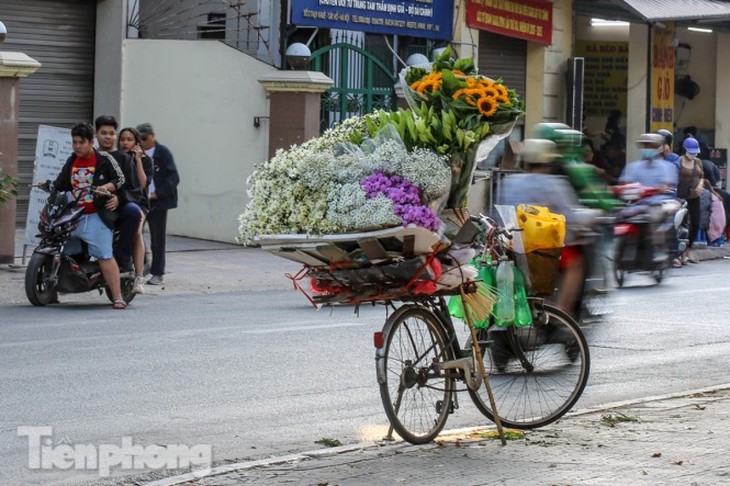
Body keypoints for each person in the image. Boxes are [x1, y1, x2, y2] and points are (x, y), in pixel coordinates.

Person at [500, 138, 597, 318]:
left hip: (514, 247)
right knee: (576, 263)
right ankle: (562, 309)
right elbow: (571, 215)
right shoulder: (554, 184)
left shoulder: (510, 182)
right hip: (546, 251)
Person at [42, 123, 127, 309]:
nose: (77, 146)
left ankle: (118, 296)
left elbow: (120, 179)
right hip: (74, 216)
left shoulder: (104, 159)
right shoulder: (71, 160)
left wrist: (106, 188)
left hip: (96, 215)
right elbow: (61, 183)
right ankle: (50, 293)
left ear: (91, 142)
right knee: (58, 248)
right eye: (74, 142)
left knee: (104, 255)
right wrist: (48, 185)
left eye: (81, 142)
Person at [94, 116, 148, 294]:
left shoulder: (125, 159)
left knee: (134, 213)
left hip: (120, 207)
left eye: (111, 133)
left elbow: (136, 189)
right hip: (92, 205)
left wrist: (119, 198)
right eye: (103, 133)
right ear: (96, 135)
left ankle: (124, 258)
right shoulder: (90, 156)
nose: (107, 137)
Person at [619, 133, 676, 263]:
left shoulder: (666, 167)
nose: (647, 148)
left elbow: (667, 185)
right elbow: (624, 183)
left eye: (650, 145)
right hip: (636, 205)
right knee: (619, 217)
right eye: (645, 145)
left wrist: (660, 188)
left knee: (653, 219)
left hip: (656, 204)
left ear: (657, 148)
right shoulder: (633, 167)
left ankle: (658, 249)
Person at [137, 123, 180, 286]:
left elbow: (173, 177)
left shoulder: (163, 153)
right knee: (136, 235)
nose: (142, 141)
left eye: (145, 138)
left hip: (158, 203)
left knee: (157, 239)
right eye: (139, 139)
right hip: (141, 201)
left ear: (153, 136)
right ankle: (144, 263)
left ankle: (157, 272)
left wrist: (158, 193)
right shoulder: (137, 153)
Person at [118, 126, 155, 294]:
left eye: (129, 139)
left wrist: (138, 160)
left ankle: (139, 277)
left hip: (139, 202)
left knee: (136, 232)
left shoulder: (146, 160)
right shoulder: (116, 157)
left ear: (136, 143)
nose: (125, 143)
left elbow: (143, 184)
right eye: (123, 139)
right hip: (120, 201)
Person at [676, 137, 706, 264]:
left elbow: (702, 177)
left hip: (694, 197)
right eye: (691, 151)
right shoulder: (679, 161)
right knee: (681, 225)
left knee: (695, 223)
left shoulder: (698, 161)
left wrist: (700, 186)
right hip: (681, 197)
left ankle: (688, 252)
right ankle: (679, 254)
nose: (693, 154)